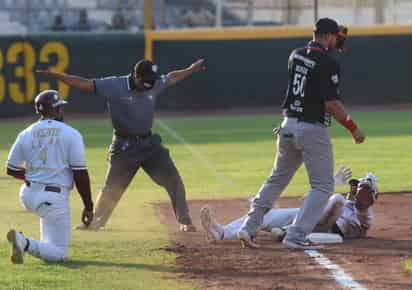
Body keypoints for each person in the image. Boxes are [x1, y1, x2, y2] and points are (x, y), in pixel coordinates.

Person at [237, 17, 366, 250]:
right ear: (327, 35)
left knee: (276, 180)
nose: (338, 40)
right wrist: (353, 128)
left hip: (287, 125)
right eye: (335, 36)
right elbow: (332, 104)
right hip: (311, 128)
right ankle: (295, 236)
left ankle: (248, 227)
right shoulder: (327, 63)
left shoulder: (295, 54)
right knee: (323, 186)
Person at [36, 59, 205, 232]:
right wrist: (58, 76)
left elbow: (171, 78)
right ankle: (96, 222)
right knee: (112, 188)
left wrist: (190, 69)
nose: (150, 84)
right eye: (146, 81)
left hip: (150, 145)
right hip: (124, 146)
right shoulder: (115, 85)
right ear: (135, 76)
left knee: (173, 180)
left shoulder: (153, 83)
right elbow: (85, 84)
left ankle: (185, 221)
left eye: (152, 80)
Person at [5, 90, 94, 264]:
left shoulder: (26, 133)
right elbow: (80, 174)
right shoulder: (71, 134)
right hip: (53, 197)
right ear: (55, 110)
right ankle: (24, 243)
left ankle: (30, 244)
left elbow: (11, 168)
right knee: (59, 254)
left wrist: (33, 176)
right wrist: (88, 206)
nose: (62, 110)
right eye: (59, 107)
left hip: (28, 194)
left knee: (49, 241)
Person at [201, 172, 378, 243]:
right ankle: (221, 233)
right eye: (357, 186)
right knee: (267, 214)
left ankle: (286, 230)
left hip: (324, 230)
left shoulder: (365, 214)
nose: (356, 189)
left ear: (371, 197)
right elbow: (307, 200)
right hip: (306, 218)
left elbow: (356, 222)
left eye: (362, 188)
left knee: (336, 199)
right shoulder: (348, 202)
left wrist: (355, 197)